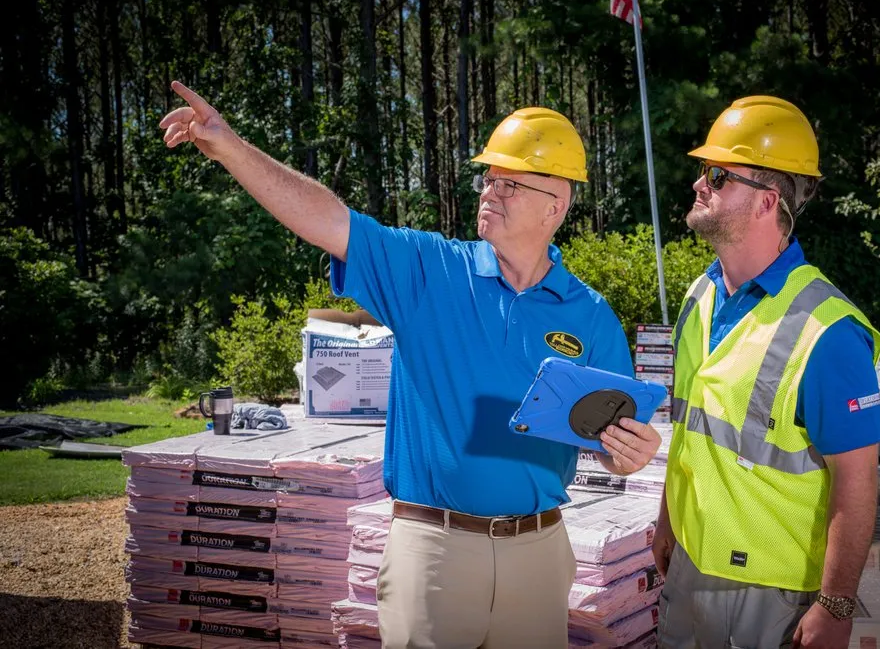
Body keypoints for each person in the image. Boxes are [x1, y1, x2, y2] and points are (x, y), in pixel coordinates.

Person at [160, 82, 663, 649]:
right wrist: (230, 146)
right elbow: (329, 219)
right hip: (434, 552)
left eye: (511, 183)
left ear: (557, 204)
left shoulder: (591, 315)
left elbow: (609, 439)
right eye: (488, 179)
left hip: (539, 553)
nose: (490, 193)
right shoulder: (430, 270)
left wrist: (629, 454)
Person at [652, 96, 880, 649]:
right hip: (688, 567)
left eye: (717, 175)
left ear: (766, 202)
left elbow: (858, 484)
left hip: (771, 595)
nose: (698, 185)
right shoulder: (699, 296)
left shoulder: (828, 332)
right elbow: (690, 432)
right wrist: (667, 521)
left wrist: (835, 604)